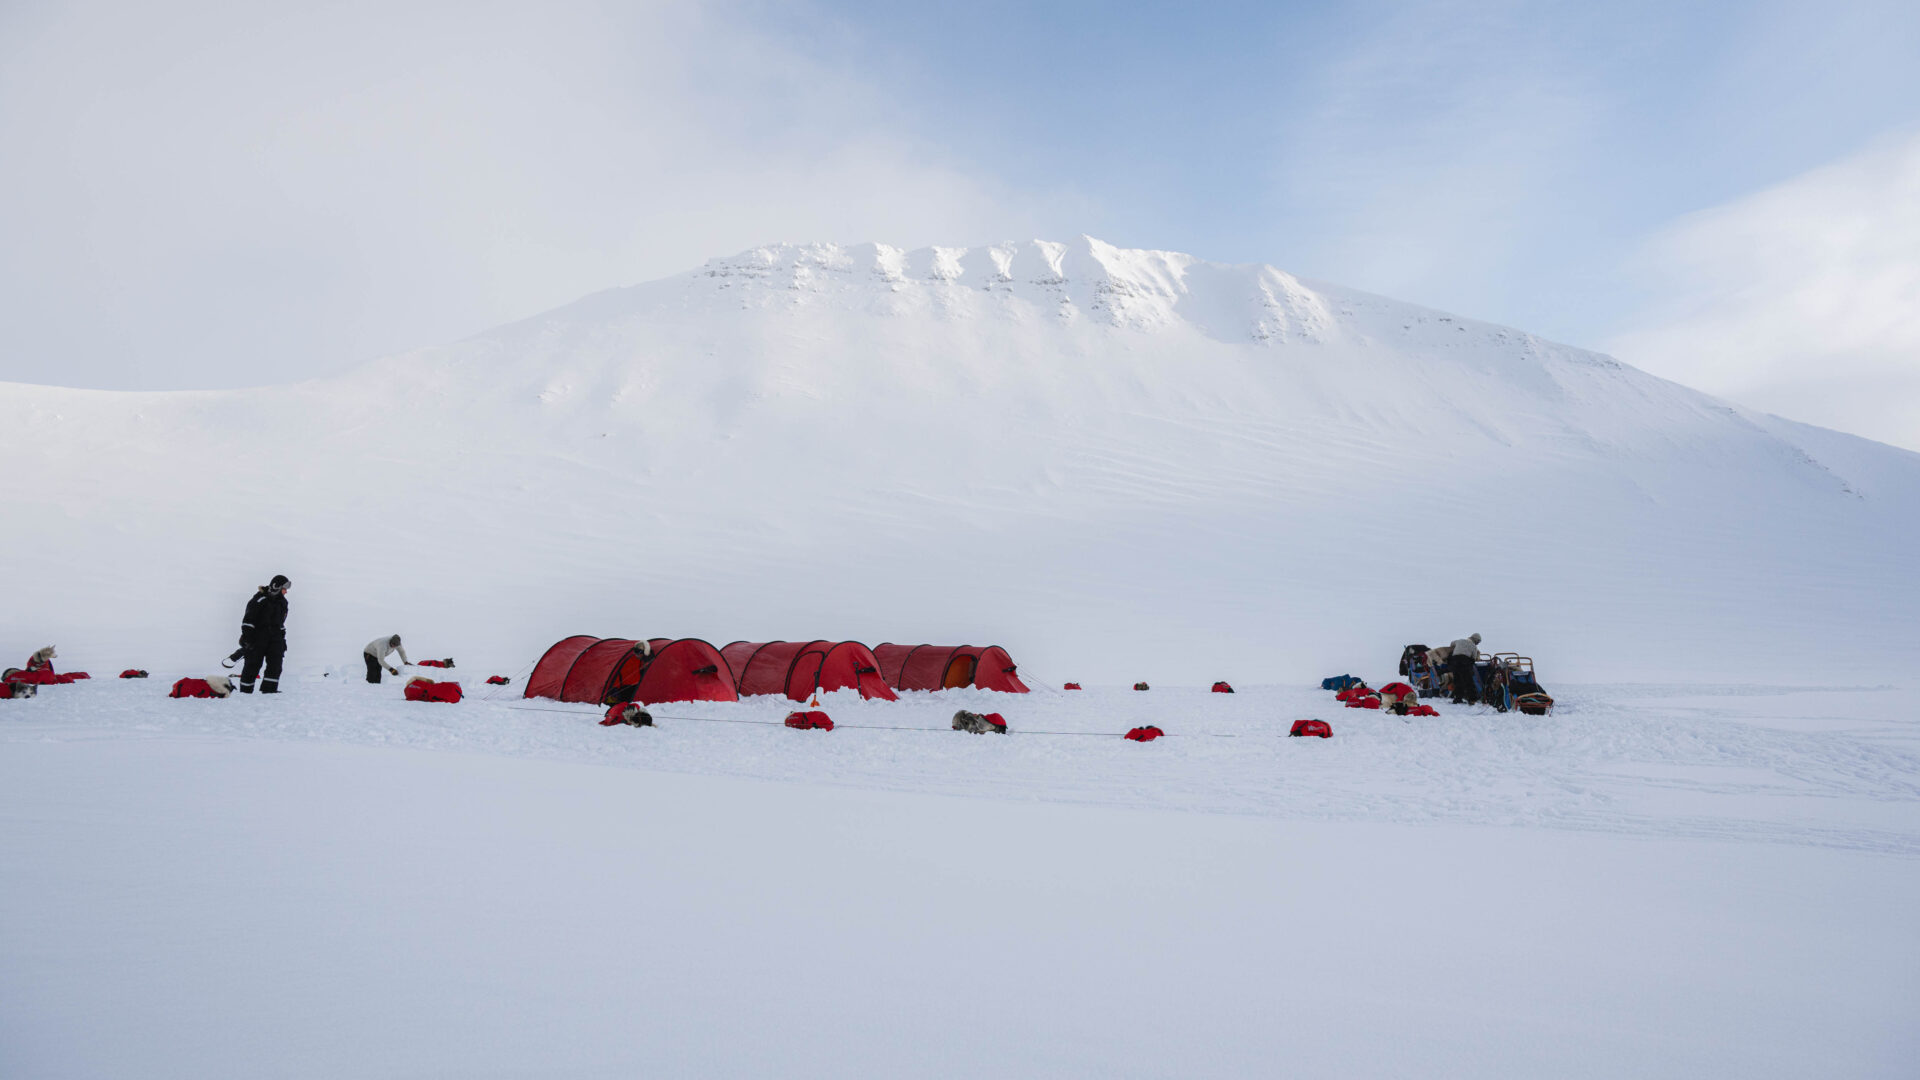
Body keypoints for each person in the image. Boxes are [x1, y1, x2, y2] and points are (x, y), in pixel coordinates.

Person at [236, 575, 291, 694]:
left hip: (275, 639)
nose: (286, 591)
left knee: (275, 665)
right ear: (277, 587)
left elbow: (281, 623)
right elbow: (248, 621)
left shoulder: (283, 603)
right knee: (252, 665)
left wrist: (282, 641)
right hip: (257, 638)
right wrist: (247, 638)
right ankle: (245, 693)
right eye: (284, 588)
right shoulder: (259, 599)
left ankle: (269, 692)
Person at [1447, 632, 1483, 705]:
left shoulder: (1460, 641)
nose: (1478, 644)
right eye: (1478, 642)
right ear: (1476, 640)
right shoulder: (1473, 646)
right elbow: (1473, 658)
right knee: (1469, 681)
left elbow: (1451, 643)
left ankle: (1458, 698)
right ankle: (1472, 699)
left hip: (1455, 661)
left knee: (1458, 681)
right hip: (1465, 662)